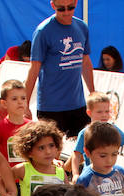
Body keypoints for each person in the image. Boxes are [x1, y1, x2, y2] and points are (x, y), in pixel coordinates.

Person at [25, 0, 95, 137]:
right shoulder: (43, 31)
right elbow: (34, 69)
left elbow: (85, 62)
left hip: (78, 104)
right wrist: (25, 103)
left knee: (80, 151)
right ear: (53, 6)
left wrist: (93, 94)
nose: (66, 12)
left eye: (71, 7)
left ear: (75, 3)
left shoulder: (82, 27)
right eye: (61, 9)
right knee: (52, 153)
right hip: (51, 107)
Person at [71, 91, 124, 177]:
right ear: (89, 113)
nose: (104, 115)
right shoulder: (85, 133)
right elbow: (76, 155)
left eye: (107, 111)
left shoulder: (113, 129)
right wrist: (75, 174)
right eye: (99, 112)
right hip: (91, 175)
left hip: (108, 173)